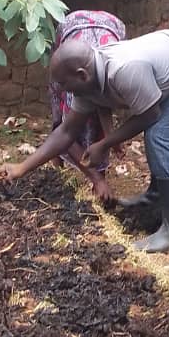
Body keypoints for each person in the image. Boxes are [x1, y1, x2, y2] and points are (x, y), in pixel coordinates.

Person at [4, 27, 169, 252]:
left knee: (161, 134)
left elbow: (149, 114)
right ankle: (157, 199)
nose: (62, 90)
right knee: (159, 129)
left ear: (81, 75)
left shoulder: (124, 70)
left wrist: (105, 143)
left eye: (63, 84)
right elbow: (66, 132)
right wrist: (20, 169)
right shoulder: (87, 84)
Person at [48, 10, 126, 202]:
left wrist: (110, 136)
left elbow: (104, 102)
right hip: (73, 27)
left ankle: (99, 185)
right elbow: (67, 133)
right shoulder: (69, 82)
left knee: (97, 122)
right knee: (64, 120)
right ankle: (56, 163)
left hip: (110, 25)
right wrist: (96, 179)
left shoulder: (114, 72)